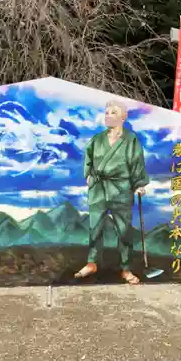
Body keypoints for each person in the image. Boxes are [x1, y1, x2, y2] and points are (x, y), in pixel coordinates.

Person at [75, 100, 149, 284]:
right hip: (98, 188)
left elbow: (136, 163)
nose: (108, 115)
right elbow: (88, 159)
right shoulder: (97, 139)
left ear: (123, 117)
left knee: (123, 231)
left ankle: (125, 268)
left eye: (113, 112)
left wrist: (138, 184)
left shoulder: (131, 140)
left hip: (121, 189)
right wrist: (88, 176)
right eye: (106, 112)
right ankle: (91, 263)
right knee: (94, 227)